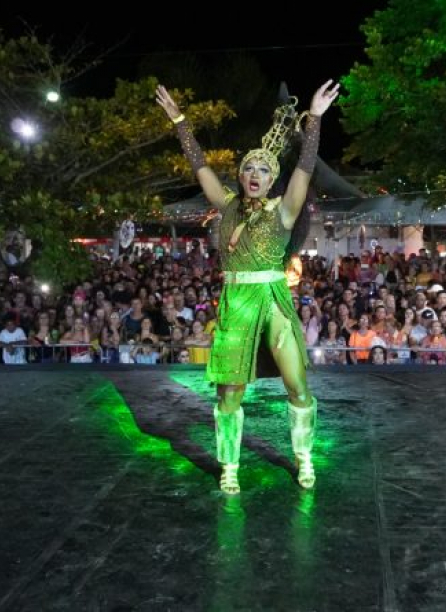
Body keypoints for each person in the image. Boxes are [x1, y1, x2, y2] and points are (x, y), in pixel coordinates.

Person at [156, 79, 339, 494]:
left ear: (273, 178)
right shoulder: (226, 205)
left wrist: (315, 121)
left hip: (273, 299)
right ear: (239, 176)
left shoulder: (284, 211)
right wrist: (179, 121)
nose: (255, 174)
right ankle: (230, 465)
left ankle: (304, 457)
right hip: (236, 301)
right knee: (229, 396)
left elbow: (306, 170)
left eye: (264, 169)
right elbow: (199, 166)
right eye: (248, 168)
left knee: (298, 385)